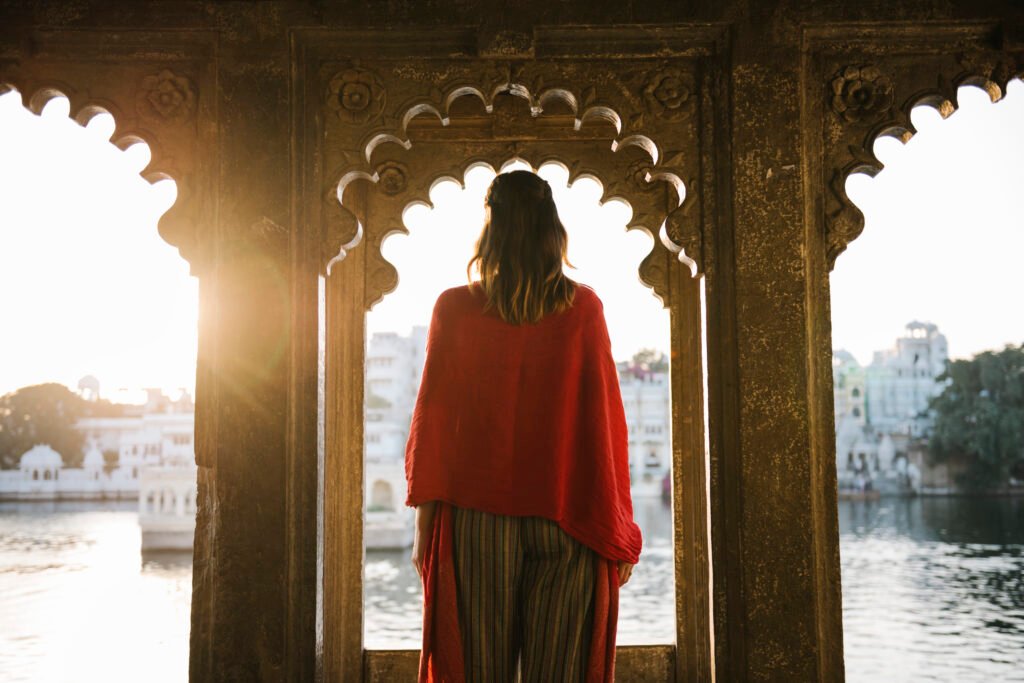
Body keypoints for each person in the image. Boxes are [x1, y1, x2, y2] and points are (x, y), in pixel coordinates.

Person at [404, 170, 642, 683]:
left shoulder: (454, 309)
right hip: (567, 516)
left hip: (476, 522)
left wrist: (425, 525)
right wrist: (618, 527)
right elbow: (604, 428)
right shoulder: (583, 309)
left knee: (477, 671)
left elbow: (435, 422)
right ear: (552, 230)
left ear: (490, 230)